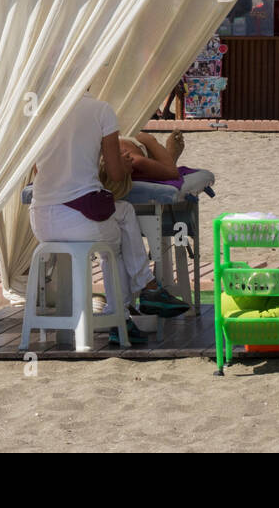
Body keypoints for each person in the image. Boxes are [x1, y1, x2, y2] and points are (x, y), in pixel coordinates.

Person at [30, 92, 190, 345]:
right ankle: (144, 290)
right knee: (122, 220)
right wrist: (125, 165)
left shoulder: (40, 111)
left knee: (116, 238)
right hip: (79, 219)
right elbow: (116, 175)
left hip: (41, 221)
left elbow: (40, 169)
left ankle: (129, 312)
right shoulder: (101, 110)